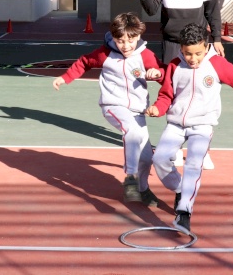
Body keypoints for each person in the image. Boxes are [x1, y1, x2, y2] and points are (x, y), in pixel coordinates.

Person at [145, 23, 233, 235]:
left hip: (202, 125)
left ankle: (184, 211)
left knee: (194, 163)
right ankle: (179, 189)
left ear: (206, 47)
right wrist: (157, 110)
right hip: (176, 124)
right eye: (188, 53)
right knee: (159, 159)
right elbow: (166, 95)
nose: (193, 59)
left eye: (197, 53)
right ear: (181, 49)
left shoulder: (216, 64)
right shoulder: (175, 66)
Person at [53, 12, 165, 206]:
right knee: (131, 132)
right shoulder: (105, 54)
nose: (126, 45)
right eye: (120, 41)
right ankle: (131, 177)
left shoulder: (145, 55)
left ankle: (143, 189)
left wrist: (158, 73)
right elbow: (85, 62)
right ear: (113, 38)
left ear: (138, 36)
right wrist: (65, 77)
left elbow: (162, 72)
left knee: (146, 158)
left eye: (130, 40)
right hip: (113, 105)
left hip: (138, 111)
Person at [133, 0, 223, 170]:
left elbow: (213, 9)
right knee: (173, 93)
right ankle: (175, 148)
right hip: (172, 42)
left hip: (199, 44)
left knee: (202, 92)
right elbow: (152, 10)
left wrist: (217, 39)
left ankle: (202, 151)